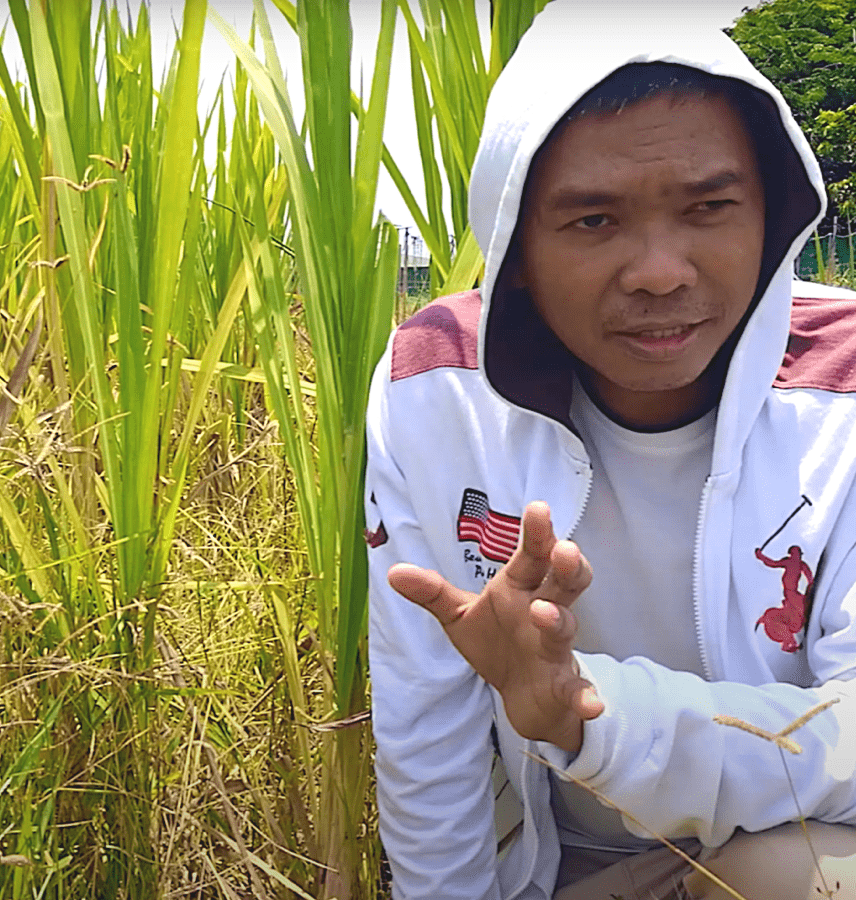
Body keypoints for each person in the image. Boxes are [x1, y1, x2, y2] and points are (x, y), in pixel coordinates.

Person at [364, 4, 856, 899]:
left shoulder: (845, 390)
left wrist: (594, 719)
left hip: (783, 842)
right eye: (594, 222)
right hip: (559, 867)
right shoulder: (438, 389)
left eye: (710, 207)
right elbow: (422, 721)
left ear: (773, 215)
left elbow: (851, 746)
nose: (661, 271)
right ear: (514, 249)